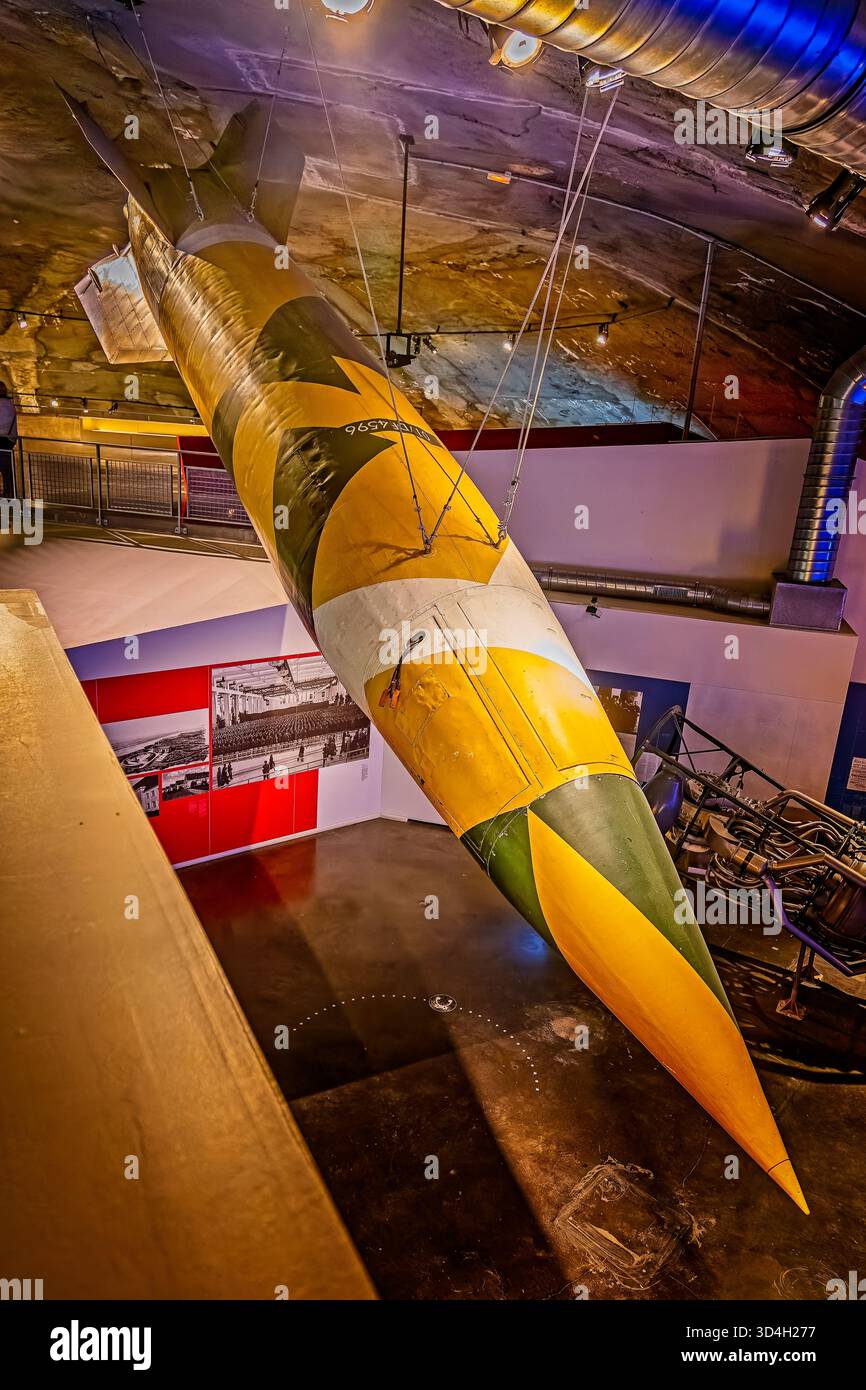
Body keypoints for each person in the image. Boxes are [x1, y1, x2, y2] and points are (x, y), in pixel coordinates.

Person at [0, 382, 17, 498]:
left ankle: (8, 492)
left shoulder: (2, 404)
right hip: (9, 440)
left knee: (5, 468)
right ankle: (9, 492)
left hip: (2, 439)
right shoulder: (10, 404)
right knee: (6, 469)